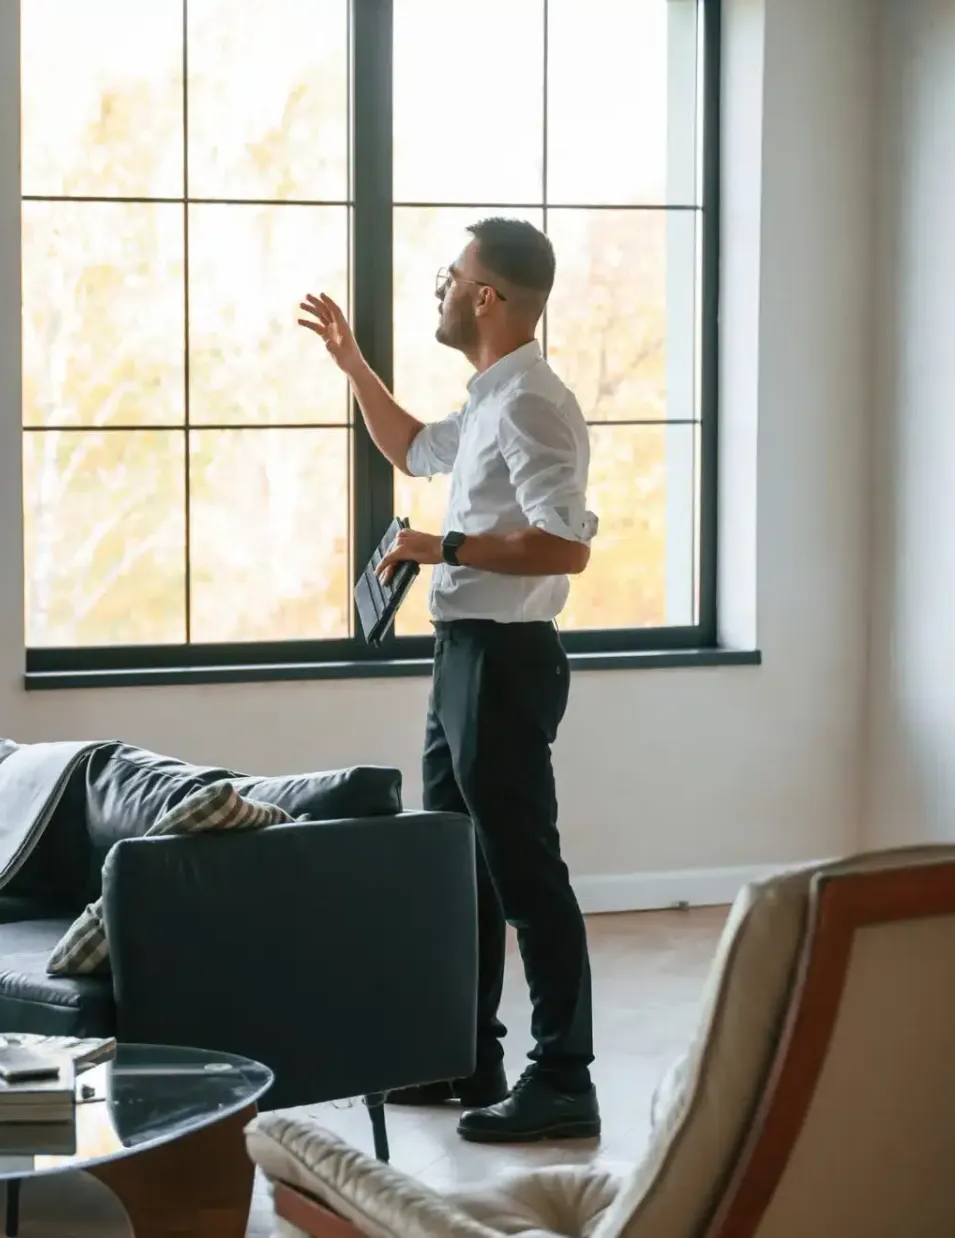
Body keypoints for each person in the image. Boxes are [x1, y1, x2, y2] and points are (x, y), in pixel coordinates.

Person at [298, 216, 600, 1144]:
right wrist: (353, 366)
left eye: (452, 272)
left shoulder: (532, 405)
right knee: (461, 866)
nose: (440, 285)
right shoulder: (489, 401)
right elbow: (409, 449)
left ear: (486, 296)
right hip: (462, 655)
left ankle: (564, 1079)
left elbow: (566, 545)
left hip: (506, 663)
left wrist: (445, 545)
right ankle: (469, 1059)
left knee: (524, 874)